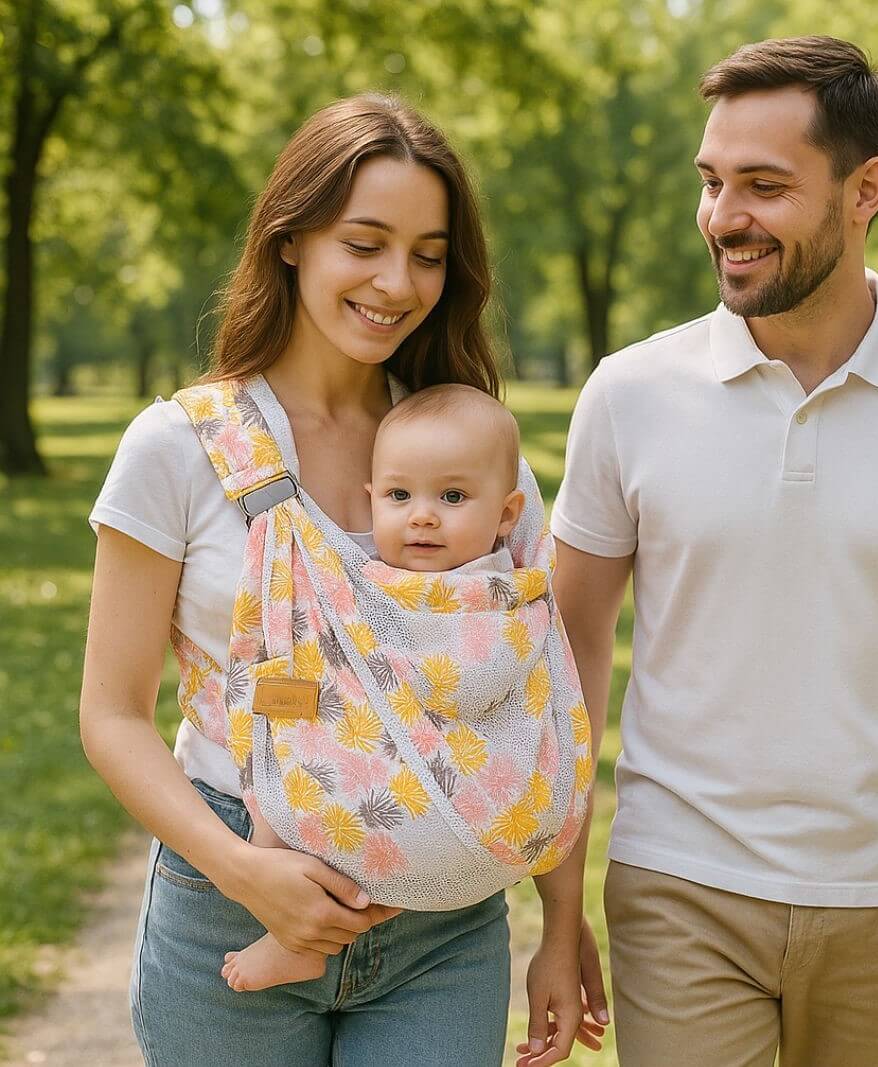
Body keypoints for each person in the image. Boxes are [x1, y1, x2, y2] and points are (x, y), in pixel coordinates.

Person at [550, 36, 878, 1067]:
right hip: (677, 881)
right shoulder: (627, 393)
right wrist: (560, 906)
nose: (722, 216)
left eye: (761, 184)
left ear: (862, 189)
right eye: (710, 182)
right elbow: (567, 654)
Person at [80, 94, 602, 1067]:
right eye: (363, 242)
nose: (397, 282)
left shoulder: (475, 460)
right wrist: (243, 870)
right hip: (234, 896)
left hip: (442, 927)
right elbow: (110, 714)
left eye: (428, 252)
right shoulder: (180, 449)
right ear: (290, 238)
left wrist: (561, 927)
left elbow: (542, 703)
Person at [220, 383, 528, 992]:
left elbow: (495, 677)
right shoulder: (398, 572)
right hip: (432, 824)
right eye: (398, 495)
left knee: (280, 767)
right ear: (370, 502)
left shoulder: (498, 590)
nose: (422, 515)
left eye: (453, 497)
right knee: (280, 754)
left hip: (441, 798)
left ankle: (292, 938)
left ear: (508, 515)